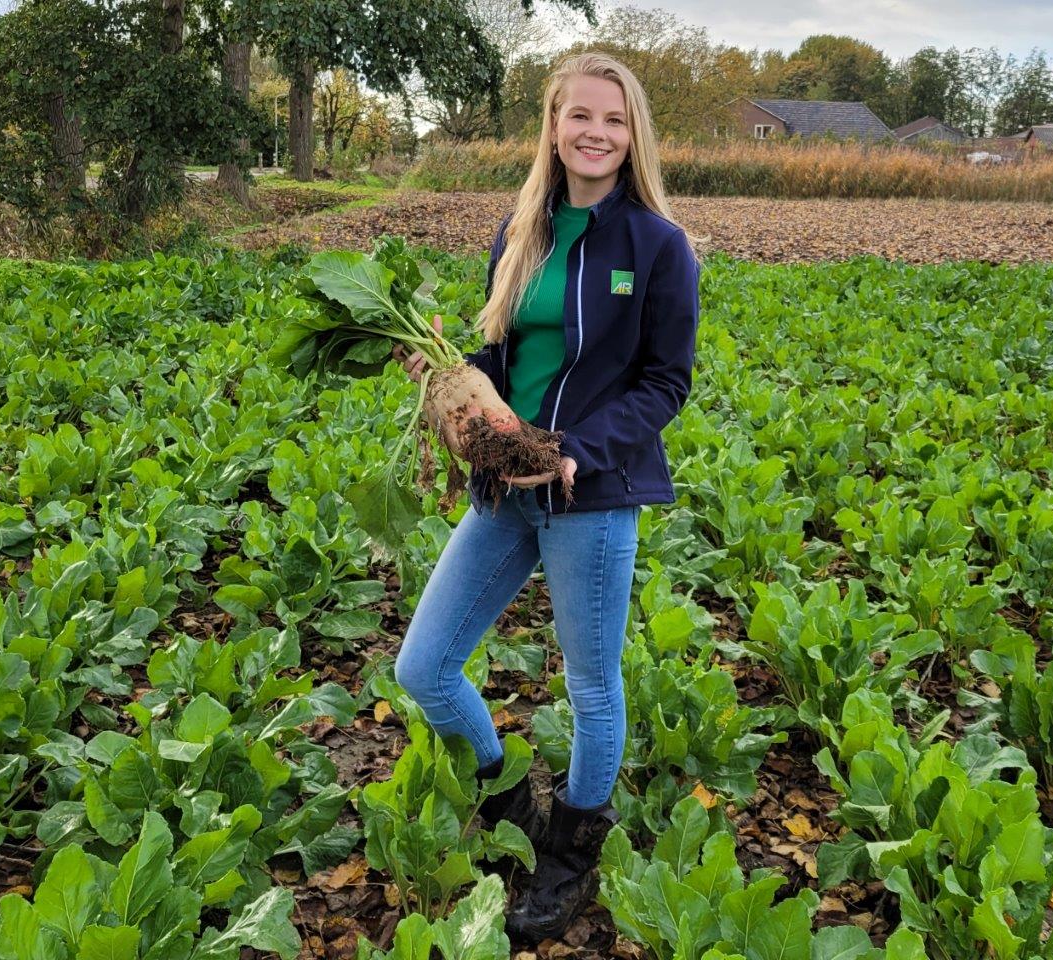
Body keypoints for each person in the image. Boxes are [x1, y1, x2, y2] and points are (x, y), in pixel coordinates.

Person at [391, 50, 701, 942]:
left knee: (592, 689)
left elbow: (663, 383)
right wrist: (451, 374)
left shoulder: (658, 246)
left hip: (592, 494)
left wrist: (577, 452)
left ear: (632, 133)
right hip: (505, 484)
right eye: (580, 117)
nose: (596, 133)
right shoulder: (520, 228)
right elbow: (505, 355)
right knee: (425, 667)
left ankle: (570, 853)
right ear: (554, 127)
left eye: (614, 120)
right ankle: (512, 812)